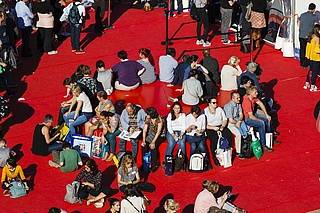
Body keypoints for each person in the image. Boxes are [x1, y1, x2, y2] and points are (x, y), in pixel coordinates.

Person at [242, 86, 274, 152]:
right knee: (261, 124)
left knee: (266, 119)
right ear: (250, 93)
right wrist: (260, 120)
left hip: (252, 114)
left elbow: (260, 103)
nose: (257, 93)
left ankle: (269, 136)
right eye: (255, 92)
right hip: (247, 118)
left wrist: (266, 114)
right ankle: (263, 145)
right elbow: (251, 116)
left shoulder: (253, 98)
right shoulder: (246, 101)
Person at [204, 97, 233, 165]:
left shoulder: (220, 109)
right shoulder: (205, 111)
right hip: (210, 128)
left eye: (216, 102)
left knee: (228, 135)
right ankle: (214, 156)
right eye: (214, 103)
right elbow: (204, 124)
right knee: (214, 139)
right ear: (209, 104)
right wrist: (213, 128)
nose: (216, 104)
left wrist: (222, 126)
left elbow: (225, 119)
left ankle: (228, 153)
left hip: (220, 126)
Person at [224, 92, 249, 158]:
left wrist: (239, 121)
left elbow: (241, 115)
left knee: (248, 129)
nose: (239, 99)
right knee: (238, 134)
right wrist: (237, 122)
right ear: (232, 99)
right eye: (237, 98)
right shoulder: (229, 106)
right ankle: (238, 152)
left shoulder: (238, 104)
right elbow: (231, 120)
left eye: (239, 97)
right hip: (230, 124)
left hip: (237, 121)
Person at [142, 107, 165, 172]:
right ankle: (144, 163)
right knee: (144, 145)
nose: (147, 115)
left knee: (153, 146)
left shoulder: (159, 119)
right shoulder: (148, 118)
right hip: (151, 133)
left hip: (160, 135)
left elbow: (159, 132)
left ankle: (154, 164)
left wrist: (153, 142)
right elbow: (145, 130)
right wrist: (144, 140)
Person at [304, 24, 320, 92]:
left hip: (310, 57)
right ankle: (313, 86)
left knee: (310, 70)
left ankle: (307, 83)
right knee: (315, 72)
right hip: (316, 58)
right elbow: (317, 50)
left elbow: (308, 48)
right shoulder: (317, 38)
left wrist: (308, 56)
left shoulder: (311, 36)